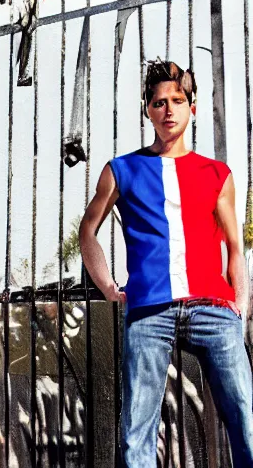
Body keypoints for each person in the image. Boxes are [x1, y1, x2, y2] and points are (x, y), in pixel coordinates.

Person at [78, 59, 253, 466]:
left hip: (213, 308)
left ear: (192, 107)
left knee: (245, 415)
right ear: (147, 110)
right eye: (159, 103)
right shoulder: (121, 169)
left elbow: (233, 244)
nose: (169, 110)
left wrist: (240, 306)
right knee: (137, 430)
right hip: (149, 310)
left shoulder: (217, 173)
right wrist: (107, 286)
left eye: (177, 100)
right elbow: (89, 231)